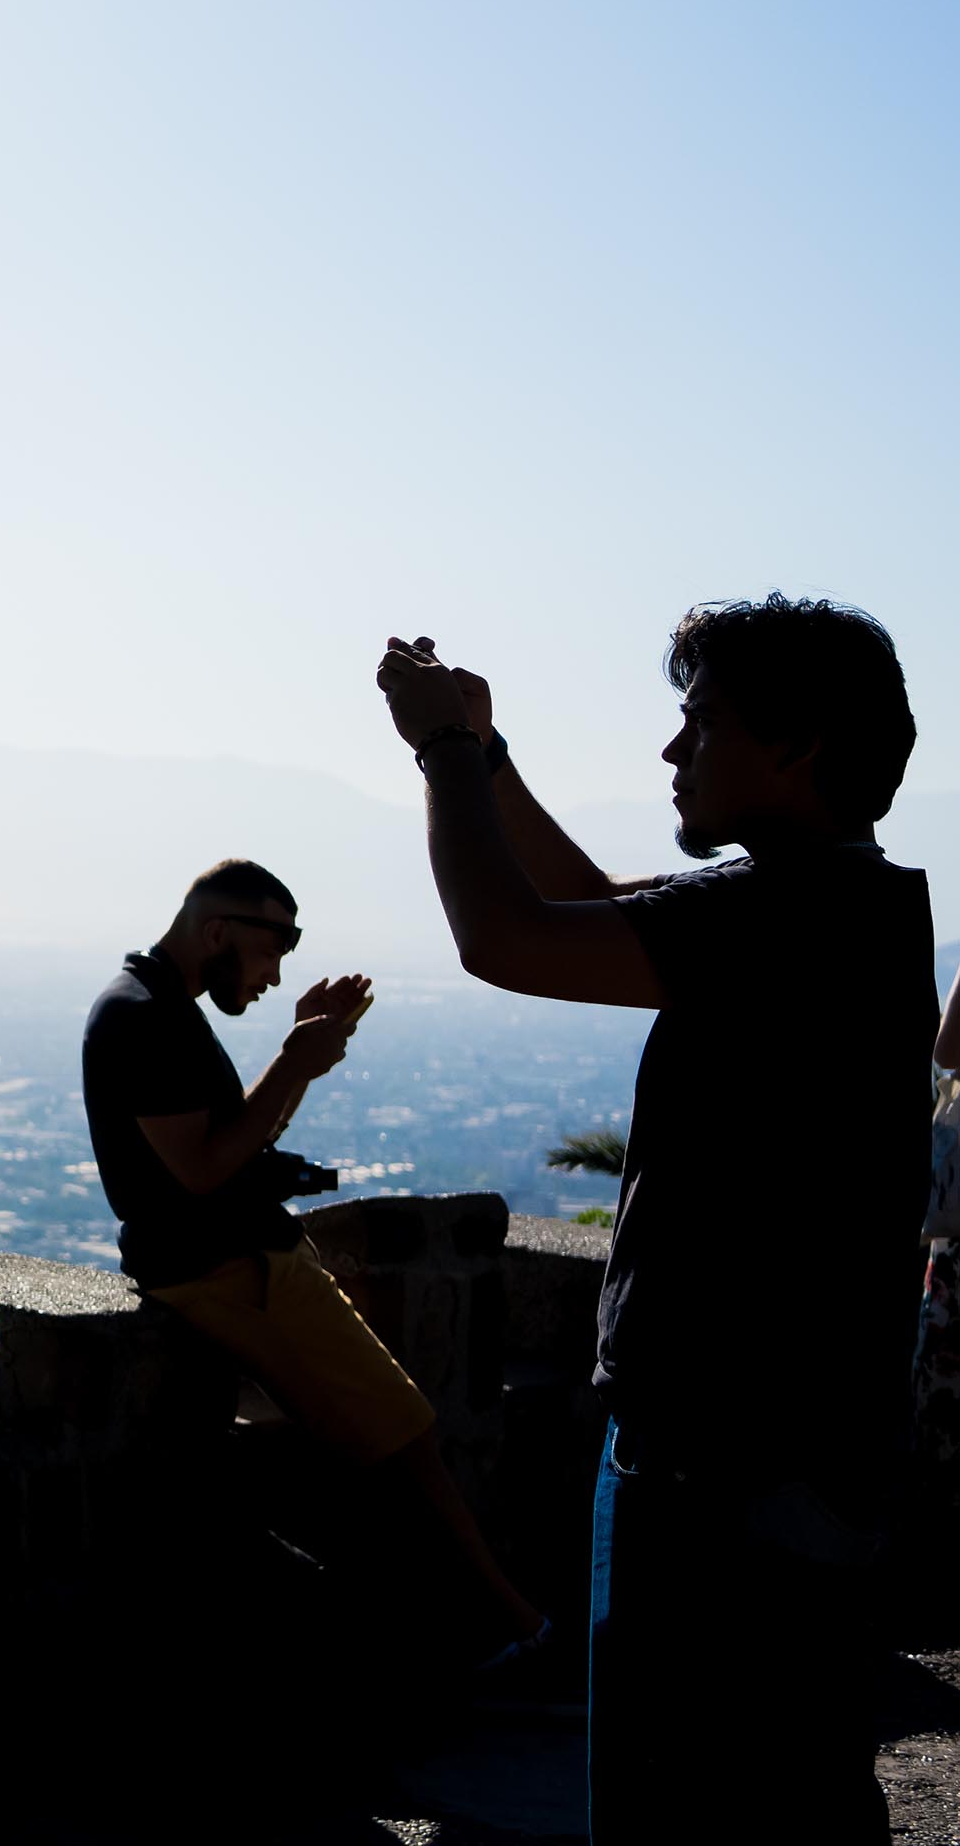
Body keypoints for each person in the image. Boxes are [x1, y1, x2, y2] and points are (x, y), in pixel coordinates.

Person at [375, 600, 932, 1842]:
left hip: (731, 1463)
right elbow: (593, 902)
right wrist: (493, 752)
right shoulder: (834, 903)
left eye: (701, 722)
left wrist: (443, 757)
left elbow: (508, 937)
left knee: (700, 1803)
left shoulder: (786, 916)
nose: (673, 753)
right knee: (781, 1790)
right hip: (778, 1450)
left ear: (796, 746)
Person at [82, 859, 549, 1666]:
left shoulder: (157, 1008)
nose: (270, 976)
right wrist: (292, 1063)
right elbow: (198, 1171)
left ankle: (465, 1625)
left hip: (239, 1263)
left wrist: (299, 1059)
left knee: (384, 1439)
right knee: (404, 1435)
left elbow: (237, 1146)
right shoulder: (140, 1018)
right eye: (269, 953)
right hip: (232, 1274)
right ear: (217, 931)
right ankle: (510, 1626)